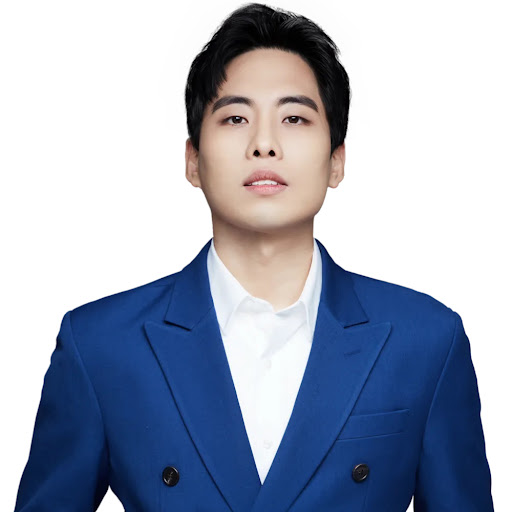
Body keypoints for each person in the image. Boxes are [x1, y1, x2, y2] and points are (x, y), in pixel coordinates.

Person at [13, 3, 494, 511]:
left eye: (294, 118)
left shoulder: (425, 341)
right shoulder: (102, 345)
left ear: (336, 160)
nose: (264, 144)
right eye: (236, 118)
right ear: (193, 160)